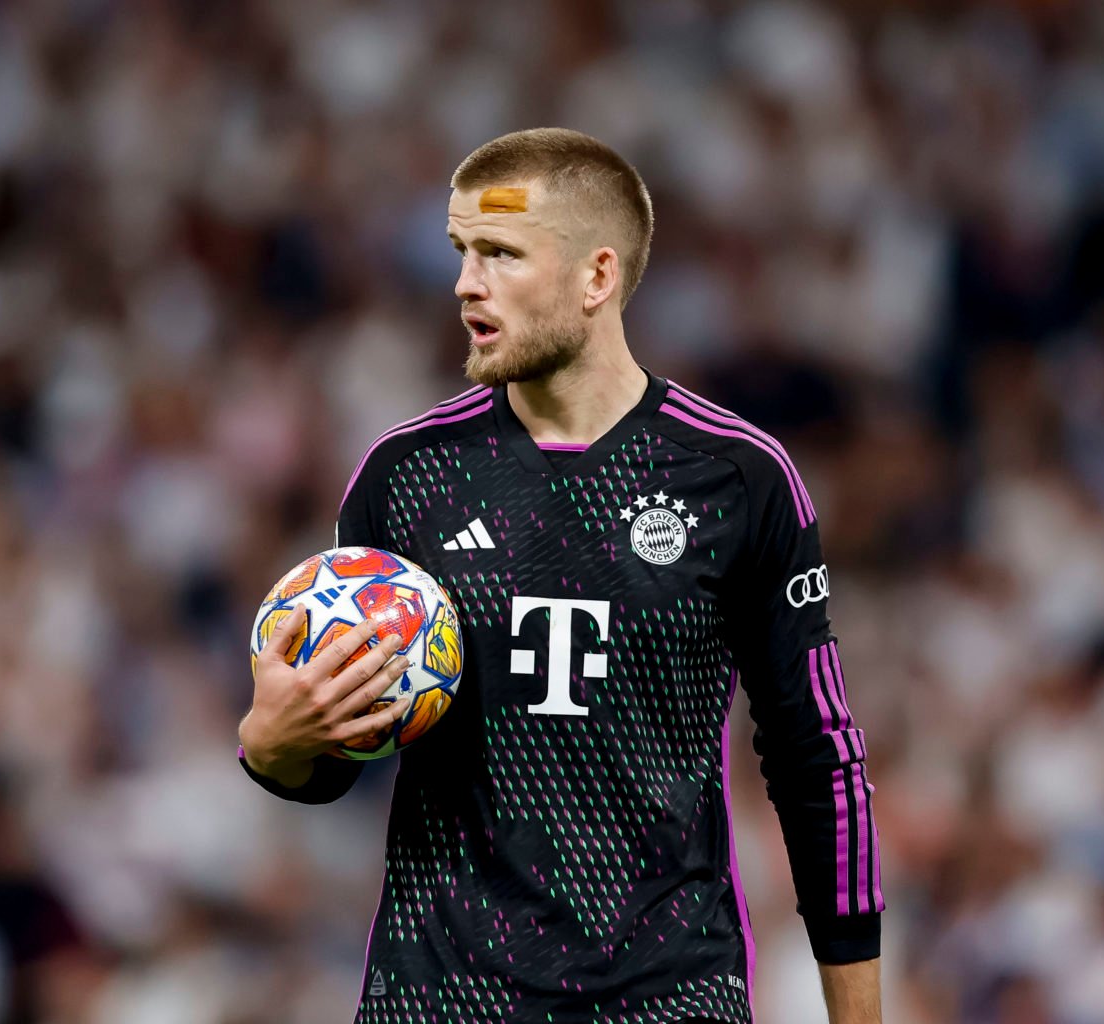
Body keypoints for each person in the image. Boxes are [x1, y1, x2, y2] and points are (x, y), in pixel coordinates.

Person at [238, 128, 883, 1024]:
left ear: (597, 277)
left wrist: (856, 1014)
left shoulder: (738, 476)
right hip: (442, 995)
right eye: (462, 251)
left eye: (501, 253)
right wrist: (275, 748)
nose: (466, 282)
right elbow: (343, 749)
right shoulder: (406, 473)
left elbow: (820, 761)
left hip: (665, 996)